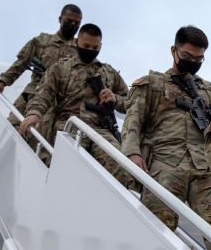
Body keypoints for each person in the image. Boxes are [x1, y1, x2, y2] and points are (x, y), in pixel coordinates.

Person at [121, 25, 211, 250]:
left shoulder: (209, 91)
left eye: (199, 59)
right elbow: (133, 121)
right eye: (187, 56)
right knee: (157, 223)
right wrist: (132, 153)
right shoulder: (151, 85)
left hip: (204, 166)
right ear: (173, 51)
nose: (193, 62)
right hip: (165, 161)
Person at [20, 23, 130, 186]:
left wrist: (114, 98)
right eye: (86, 46)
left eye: (95, 47)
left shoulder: (109, 72)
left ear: (100, 46)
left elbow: (130, 103)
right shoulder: (60, 68)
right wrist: (34, 114)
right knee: (66, 169)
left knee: (122, 169)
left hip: (101, 130)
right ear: (77, 42)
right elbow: (44, 94)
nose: (90, 50)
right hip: (68, 125)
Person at [0, 4, 82, 145]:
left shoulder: (80, 51)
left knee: (35, 139)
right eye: (69, 21)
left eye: (77, 23)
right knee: (11, 129)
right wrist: (2, 82)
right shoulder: (41, 41)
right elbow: (20, 63)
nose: (73, 25)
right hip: (31, 94)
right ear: (60, 19)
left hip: (53, 102)